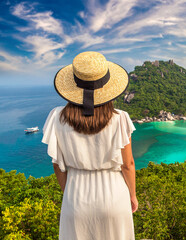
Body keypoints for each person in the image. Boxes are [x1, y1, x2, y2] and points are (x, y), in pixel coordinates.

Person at [42, 51, 137, 240]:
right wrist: (133, 196)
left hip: (76, 197)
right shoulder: (120, 118)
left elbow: (57, 164)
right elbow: (128, 165)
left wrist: (69, 193)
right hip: (114, 196)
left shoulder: (56, 117)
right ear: (108, 87)